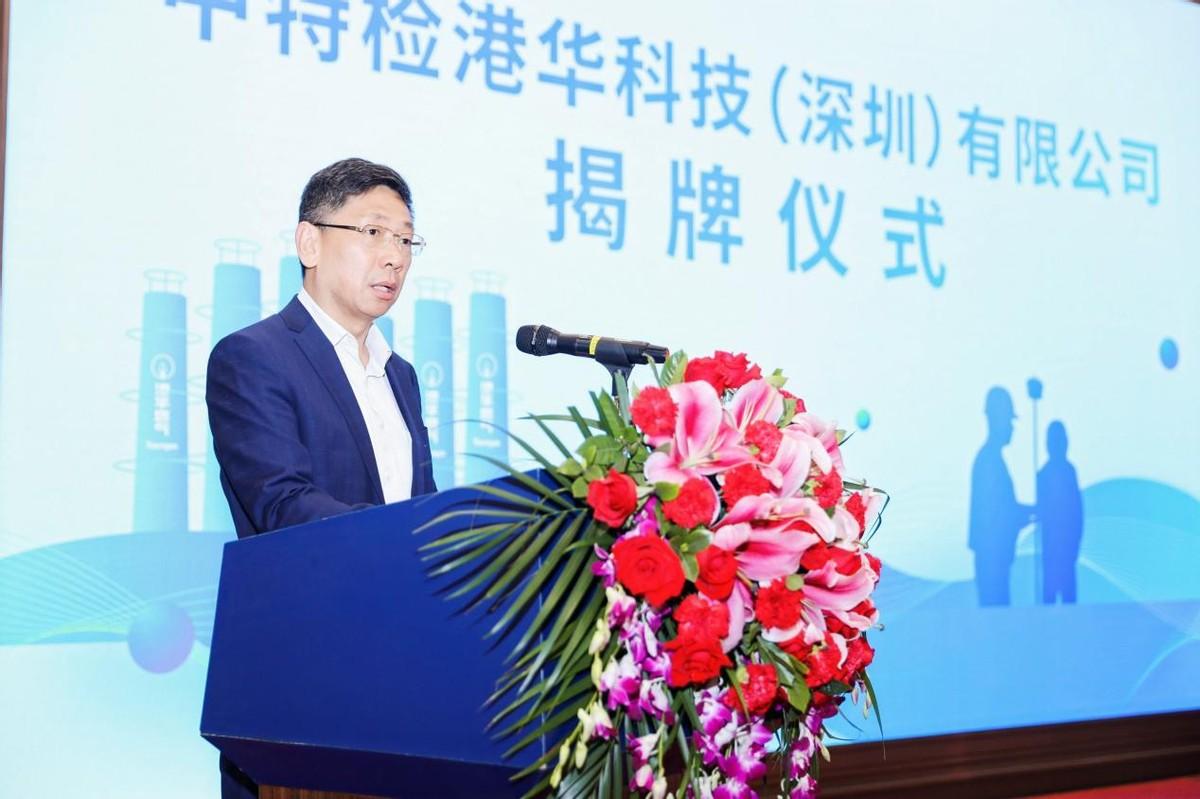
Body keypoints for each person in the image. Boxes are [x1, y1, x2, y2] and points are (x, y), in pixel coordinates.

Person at [206, 158, 437, 797]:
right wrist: (414, 542)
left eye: (406, 240)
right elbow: (282, 504)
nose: (394, 257)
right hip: (301, 685)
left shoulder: (400, 376)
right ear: (309, 242)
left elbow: (420, 507)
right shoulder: (254, 356)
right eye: (373, 232)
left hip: (401, 686)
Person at [968, 386, 1035, 607]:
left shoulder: (991, 460)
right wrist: (1035, 512)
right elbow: (1000, 513)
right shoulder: (989, 463)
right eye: (1008, 420)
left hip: (995, 556)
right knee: (995, 612)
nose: (1011, 427)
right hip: (992, 557)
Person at [1037, 421, 1084, 604]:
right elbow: (1043, 513)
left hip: (1067, 550)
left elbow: (1077, 513)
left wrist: (1075, 544)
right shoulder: (1043, 475)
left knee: (1069, 603)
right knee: (1049, 602)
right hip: (1050, 552)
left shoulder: (1069, 472)